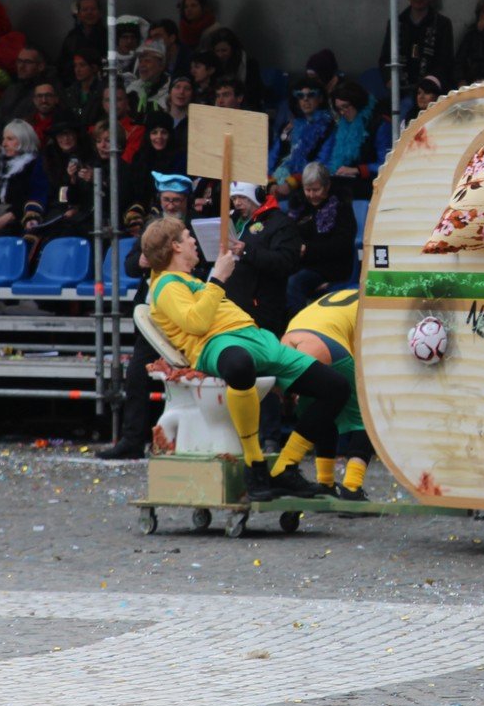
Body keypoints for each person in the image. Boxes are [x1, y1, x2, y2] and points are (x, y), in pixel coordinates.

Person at [140, 215, 345, 502]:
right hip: (217, 344)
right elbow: (197, 323)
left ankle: (285, 467)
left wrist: (214, 281)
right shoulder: (166, 284)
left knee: (335, 387)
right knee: (239, 366)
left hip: (258, 339)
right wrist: (218, 279)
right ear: (175, 246)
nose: (193, 241)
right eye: (188, 236)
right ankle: (255, 465)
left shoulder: (188, 280)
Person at [97, 173, 204, 460]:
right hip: (153, 315)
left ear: (186, 201)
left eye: (176, 201)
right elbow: (131, 265)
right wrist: (142, 260)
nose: (170, 205)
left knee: (195, 378)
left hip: (185, 313)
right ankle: (132, 439)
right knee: (136, 376)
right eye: (166, 200)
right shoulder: (152, 227)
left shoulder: (195, 228)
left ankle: (191, 439)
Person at [282, 289, 372, 500]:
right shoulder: (376, 306)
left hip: (288, 340)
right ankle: (352, 487)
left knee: (323, 412)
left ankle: (325, 483)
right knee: (366, 417)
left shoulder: (343, 293)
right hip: (325, 344)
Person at [223, 181, 299, 337]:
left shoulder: (280, 223)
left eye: (242, 197)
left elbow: (286, 261)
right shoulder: (233, 220)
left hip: (261, 307)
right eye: (234, 198)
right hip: (232, 303)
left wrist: (247, 251)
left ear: (257, 195)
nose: (237, 203)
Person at [286, 161, 357, 313]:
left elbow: (342, 244)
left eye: (316, 190)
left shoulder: (340, 205)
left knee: (294, 283)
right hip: (302, 263)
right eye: (308, 190)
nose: (312, 195)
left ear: (327, 186)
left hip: (331, 266)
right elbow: (289, 232)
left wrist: (308, 249)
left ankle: (298, 328)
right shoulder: (299, 205)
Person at [0, 120, 49, 252]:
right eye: (3, 139)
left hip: (18, 218)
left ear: (24, 140)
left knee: (1, 239)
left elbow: (34, 195)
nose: (3, 144)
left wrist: (6, 218)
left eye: (10, 139)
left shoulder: (36, 164)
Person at [381, 0, 454, 97]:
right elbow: (385, 57)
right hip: (401, 88)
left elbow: (445, 60)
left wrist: (430, 83)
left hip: (432, 89)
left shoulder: (443, 24)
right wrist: (389, 79)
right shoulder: (396, 23)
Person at [270, 75, 335, 195]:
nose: (305, 100)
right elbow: (273, 156)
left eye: (311, 95)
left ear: (320, 98)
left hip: (308, 188)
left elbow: (322, 164)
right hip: (278, 183)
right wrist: (270, 182)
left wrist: (294, 181)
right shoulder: (288, 127)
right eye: (300, 96)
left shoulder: (329, 128)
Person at [55, 0, 107, 88]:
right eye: (85, 10)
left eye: (93, 9)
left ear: (99, 13)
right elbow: (62, 64)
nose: (89, 13)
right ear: (78, 14)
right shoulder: (72, 36)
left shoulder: (107, 36)